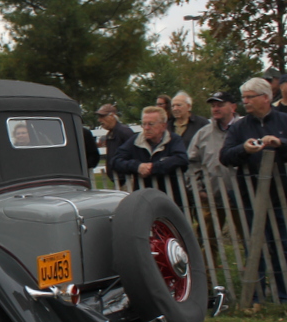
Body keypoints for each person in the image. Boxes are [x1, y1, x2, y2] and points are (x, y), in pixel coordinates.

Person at [220, 77, 287, 302]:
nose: (245, 102)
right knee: (254, 246)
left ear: (266, 98)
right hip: (250, 195)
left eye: (250, 97)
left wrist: (280, 143)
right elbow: (225, 155)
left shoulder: (284, 120)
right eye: (244, 97)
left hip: (281, 196)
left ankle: (283, 294)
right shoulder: (239, 126)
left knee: (282, 245)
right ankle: (255, 296)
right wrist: (244, 149)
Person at [187, 92, 241, 255]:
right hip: (211, 195)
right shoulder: (204, 133)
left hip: (242, 195)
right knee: (206, 239)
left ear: (233, 107)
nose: (215, 109)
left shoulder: (244, 127)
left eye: (220, 105)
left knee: (249, 236)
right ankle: (207, 277)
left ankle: (254, 276)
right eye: (213, 106)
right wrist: (197, 188)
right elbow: (191, 162)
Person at [111, 106, 189, 200]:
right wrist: (138, 166)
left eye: (151, 124)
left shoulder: (174, 140)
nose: (146, 128)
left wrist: (153, 168)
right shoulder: (135, 141)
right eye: (144, 124)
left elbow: (181, 159)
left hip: (172, 198)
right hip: (144, 199)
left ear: (163, 126)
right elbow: (115, 161)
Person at [95, 104, 134, 181]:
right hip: (118, 179)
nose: (99, 120)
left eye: (102, 116)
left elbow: (133, 155)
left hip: (127, 179)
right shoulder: (111, 133)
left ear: (112, 116)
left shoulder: (124, 132)